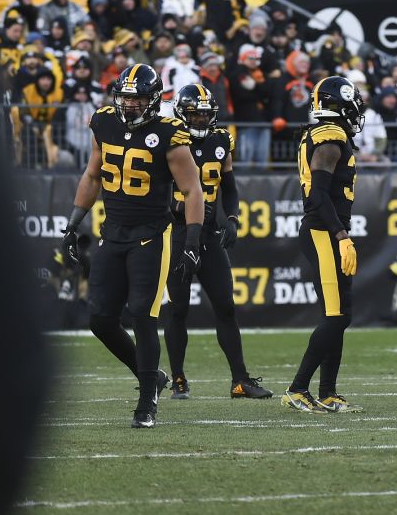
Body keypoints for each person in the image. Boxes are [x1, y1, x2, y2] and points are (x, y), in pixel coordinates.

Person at [59, 63, 206, 428]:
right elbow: (93, 175)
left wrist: (192, 239)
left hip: (152, 234)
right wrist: (72, 224)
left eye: (138, 98)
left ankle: (146, 404)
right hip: (113, 233)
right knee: (101, 320)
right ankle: (151, 376)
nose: (130, 105)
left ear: (154, 99)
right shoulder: (104, 122)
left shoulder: (170, 133)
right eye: (125, 98)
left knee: (143, 314)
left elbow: (192, 190)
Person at [162, 84, 273, 401]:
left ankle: (240, 381)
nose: (200, 119)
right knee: (178, 309)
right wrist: (182, 208)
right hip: (179, 233)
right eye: (195, 113)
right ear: (183, 113)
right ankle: (179, 379)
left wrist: (234, 218)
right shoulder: (171, 139)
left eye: (205, 114)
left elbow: (231, 188)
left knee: (225, 306)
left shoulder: (222, 139)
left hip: (209, 234)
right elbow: (158, 192)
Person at [281, 77, 370, 414]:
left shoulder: (322, 133)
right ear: (341, 104)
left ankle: (328, 392)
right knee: (335, 316)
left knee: (341, 315)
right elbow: (318, 193)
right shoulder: (331, 138)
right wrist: (340, 234)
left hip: (326, 230)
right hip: (323, 232)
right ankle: (297, 388)